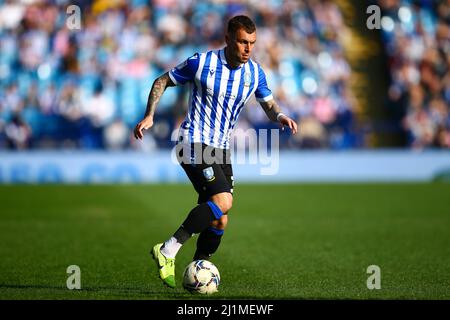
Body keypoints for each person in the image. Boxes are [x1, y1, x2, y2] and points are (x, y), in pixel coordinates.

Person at [134, 15, 298, 288]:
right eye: (243, 42)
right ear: (228, 39)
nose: (248, 48)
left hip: (221, 150)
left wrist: (279, 115)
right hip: (192, 142)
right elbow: (161, 81)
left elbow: (268, 104)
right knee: (223, 201)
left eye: (252, 43)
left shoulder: (254, 73)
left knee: (220, 220)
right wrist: (150, 115)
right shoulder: (202, 62)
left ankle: (196, 272)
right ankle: (168, 250)